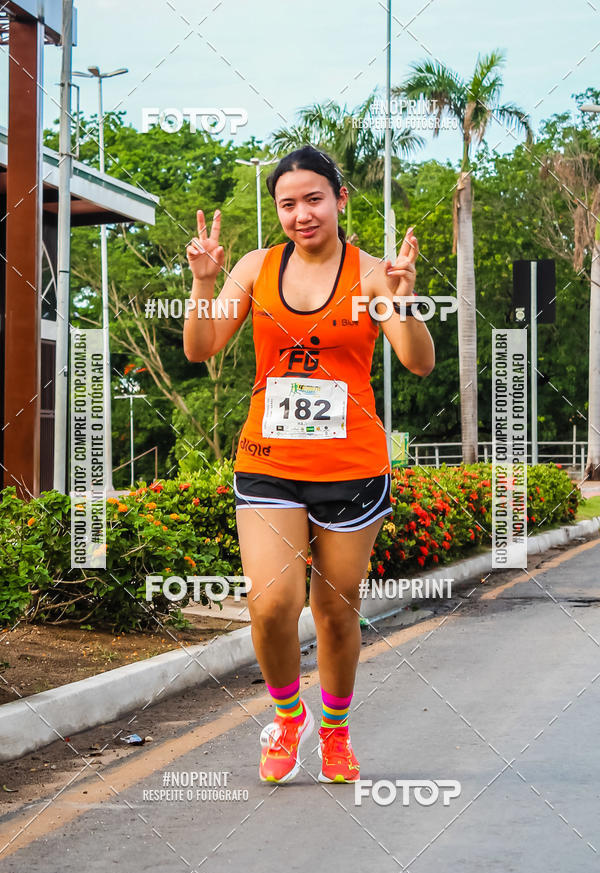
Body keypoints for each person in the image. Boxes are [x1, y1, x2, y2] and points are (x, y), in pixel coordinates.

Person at [184, 145, 435, 784]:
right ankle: (287, 716)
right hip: (269, 460)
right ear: (278, 211)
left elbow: (419, 362)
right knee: (271, 605)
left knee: (335, 607)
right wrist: (205, 282)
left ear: (340, 199)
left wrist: (403, 300)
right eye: (288, 203)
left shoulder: (373, 273)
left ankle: (336, 731)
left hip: (351, 465)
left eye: (314, 199)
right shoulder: (256, 267)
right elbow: (201, 346)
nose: (302, 214)